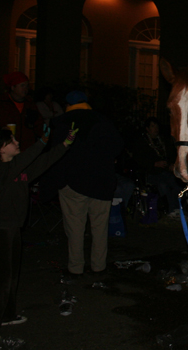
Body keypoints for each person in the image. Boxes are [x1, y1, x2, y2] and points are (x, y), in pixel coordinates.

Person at [0, 126, 76, 343]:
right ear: (1, 148)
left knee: (11, 275)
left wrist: (65, 144)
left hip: (13, 229)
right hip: (0, 230)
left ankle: (7, 314)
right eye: (11, 140)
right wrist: (42, 140)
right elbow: (17, 165)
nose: (17, 142)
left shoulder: (19, 170)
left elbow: (44, 161)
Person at [47, 90, 123, 276]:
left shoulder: (62, 123)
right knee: (99, 227)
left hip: (73, 183)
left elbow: (53, 154)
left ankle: (75, 267)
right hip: (101, 182)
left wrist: (59, 182)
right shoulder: (103, 121)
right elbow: (118, 147)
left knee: (75, 228)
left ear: (67, 105)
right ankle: (99, 266)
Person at [131, 117, 182, 217]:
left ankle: (176, 208)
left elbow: (171, 154)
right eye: (153, 126)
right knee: (163, 186)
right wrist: (154, 163)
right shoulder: (142, 142)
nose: (156, 129)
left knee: (177, 185)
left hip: (165, 171)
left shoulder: (163, 141)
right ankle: (170, 210)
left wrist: (172, 164)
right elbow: (139, 160)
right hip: (151, 173)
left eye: (157, 126)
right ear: (147, 129)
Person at [0, 71, 42, 150]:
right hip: (5, 149)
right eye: (22, 86)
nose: (25, 89)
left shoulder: (30, 104)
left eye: (27, 86)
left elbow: (39, 126)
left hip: (26, 149)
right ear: (13, 87)